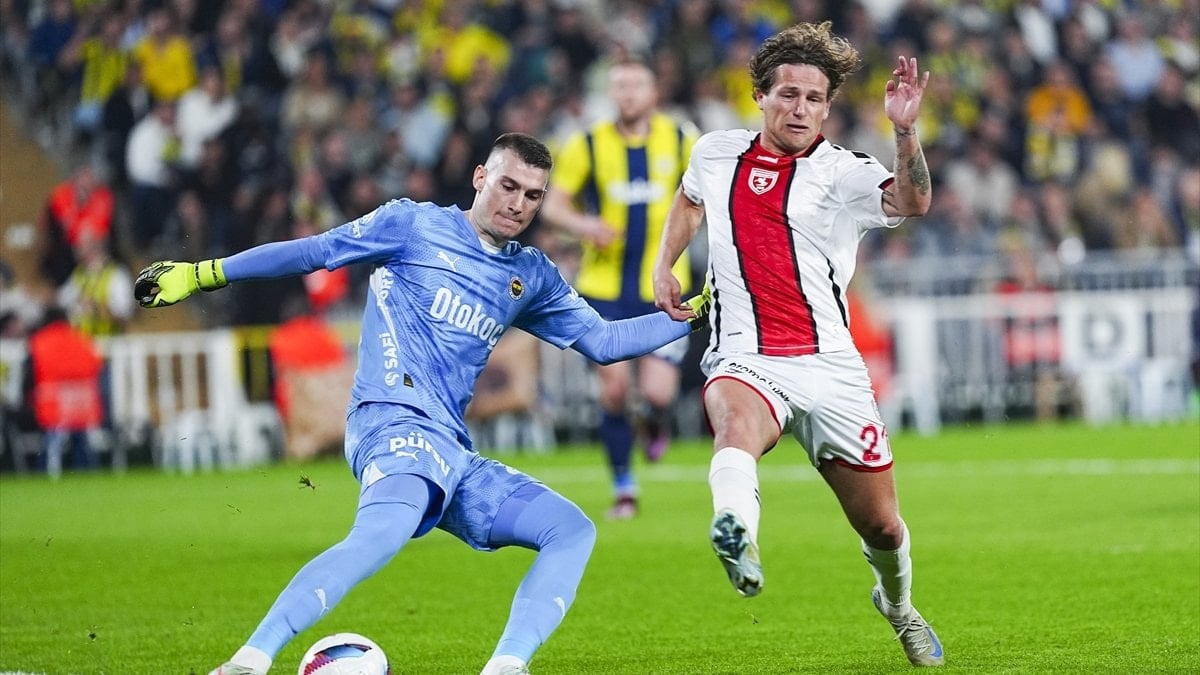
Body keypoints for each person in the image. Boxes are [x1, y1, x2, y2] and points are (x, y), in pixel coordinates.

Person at [133, 132, 710, 675]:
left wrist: (701, 311)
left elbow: (605, 342)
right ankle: (248, 661)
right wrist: (206, 273)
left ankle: (506, 666)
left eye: (533, 196)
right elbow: (315, 252)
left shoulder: (530, 275)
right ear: (481, 177)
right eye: (508, 186)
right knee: (382, 531)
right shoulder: (411, 224)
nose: (518, 204)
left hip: (451, 448)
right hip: (392, 421)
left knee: (570, 529)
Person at [652, 22, 945, 667]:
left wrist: (904, 131)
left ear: (828, 107)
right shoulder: (716, 153)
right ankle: (737, 531)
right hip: (746, 354)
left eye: (814, 99)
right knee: (734, 424)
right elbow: (690, 199)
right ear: (760, 95)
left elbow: (914, 201)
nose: (800, 109)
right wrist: (664, 264)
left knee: (881, 526)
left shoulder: (844, 171)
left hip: (831, 367)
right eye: (788, 94)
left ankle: (898, 606)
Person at [540, 57, 699, 519]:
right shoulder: (587, 143)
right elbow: (553, 206)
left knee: (658, 393)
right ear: (612, 94)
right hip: (603, 287)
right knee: (612, 392)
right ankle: (624, 487)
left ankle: (653, 421)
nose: (628, 94)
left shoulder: (681, 138)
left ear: (654, 93)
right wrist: (585, 225)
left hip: (666, 284)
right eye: (621, 86)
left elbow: (708, 192)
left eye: (637, 85)